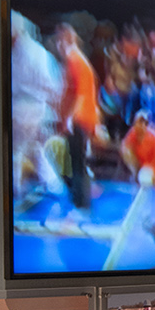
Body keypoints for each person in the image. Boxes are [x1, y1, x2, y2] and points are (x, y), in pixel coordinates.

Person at [54, 23, 99, 210]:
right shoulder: (77, 60)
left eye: (59, 40)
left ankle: (81, 205)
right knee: (77, 162)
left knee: (77, 163)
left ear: (64, 40)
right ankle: (80, 201)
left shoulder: (75, 60)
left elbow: (80, 94)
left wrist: (70, 119)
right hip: (81, 118)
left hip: (79, 119)